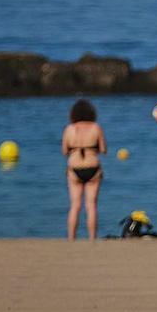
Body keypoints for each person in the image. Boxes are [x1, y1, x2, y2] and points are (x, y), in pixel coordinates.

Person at [61, 99, 107, 241]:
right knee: (91, 205)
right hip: (93, 167)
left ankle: (71, 238)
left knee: (75, 205)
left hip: (74, 168)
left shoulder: (69, 129)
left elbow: (64, 151)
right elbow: (104, 150)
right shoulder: (96, 127)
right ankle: (92, 238)